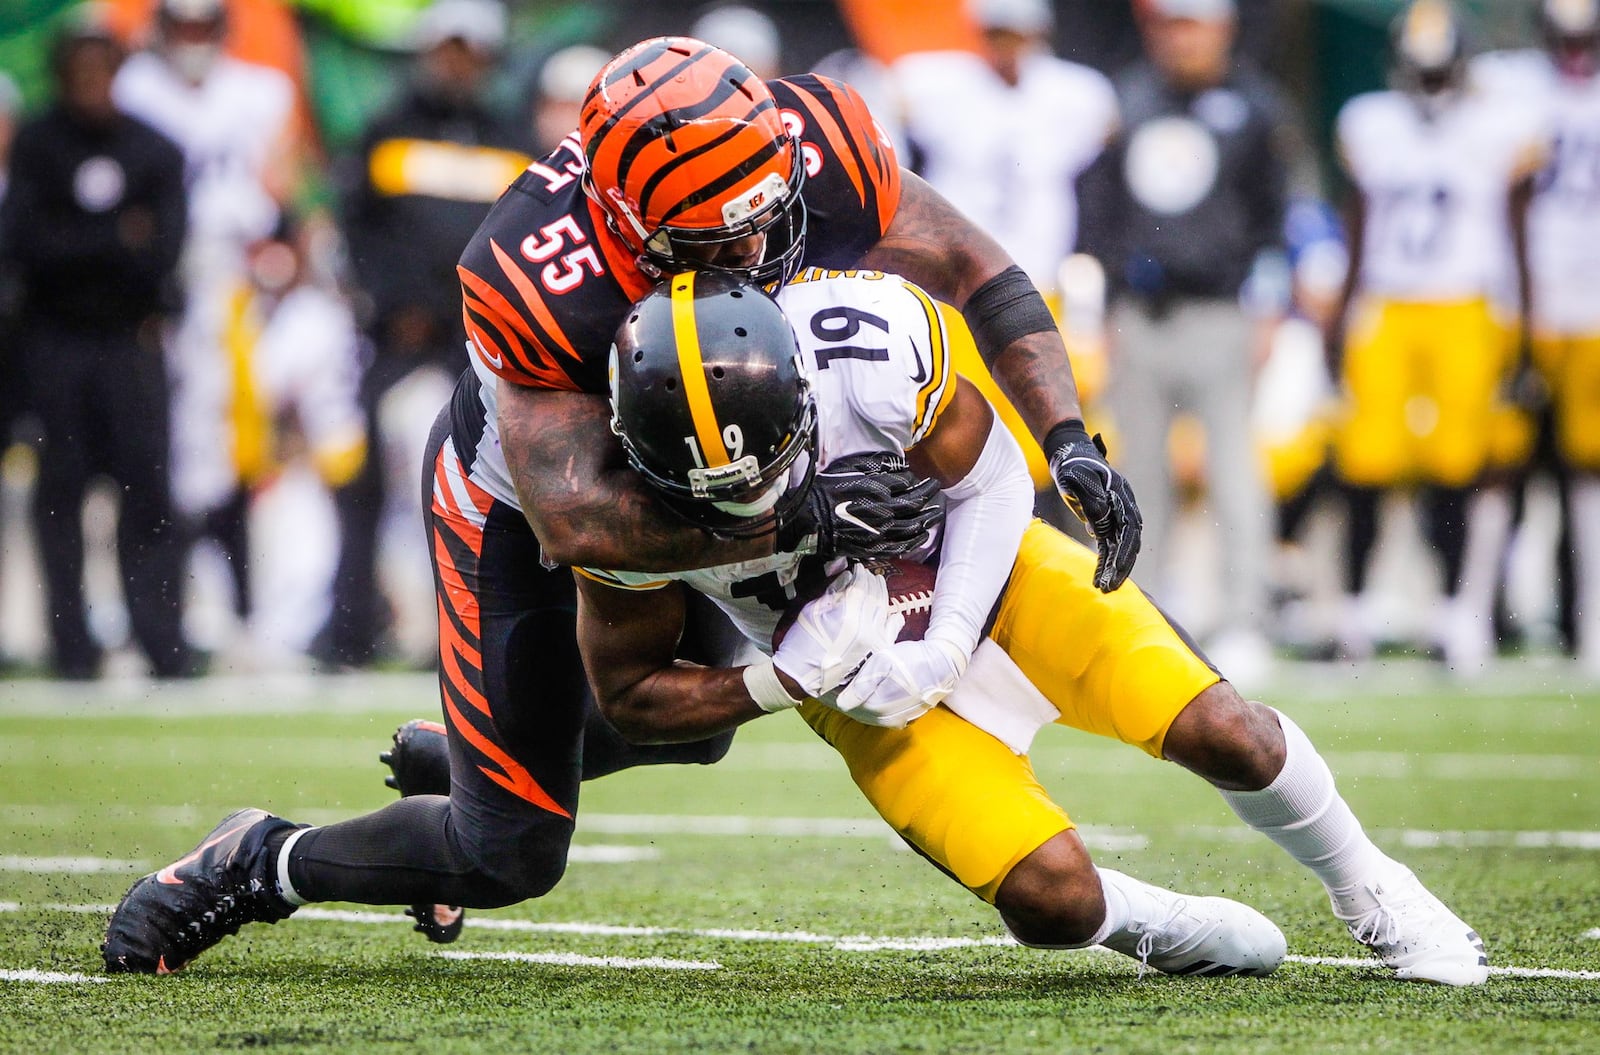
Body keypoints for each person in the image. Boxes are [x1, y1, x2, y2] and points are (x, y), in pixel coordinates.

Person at [100, 36, 1138, 972]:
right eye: (719, 242)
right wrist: (804, 518)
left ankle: (488, 746)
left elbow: (975, 264)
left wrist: (1063, 441)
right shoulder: (532, 272)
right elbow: (576, 520)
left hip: (699, 473)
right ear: (630, 225)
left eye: (766, 218)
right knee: (506, 850)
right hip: (522, 504)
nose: (760, 253)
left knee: (697, 721)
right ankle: (260, 859)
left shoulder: (804, 138)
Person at [574, 268, 1485, 986]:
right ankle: (1151, 921)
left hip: (986, 571)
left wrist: (946, 640)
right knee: (1052, 904)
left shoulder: (860, 348)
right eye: (717, 496)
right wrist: (782, 681)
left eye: (770, 466)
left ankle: (1370, 884)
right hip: (848, 672)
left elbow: (995, 477)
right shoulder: (602, 501)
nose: (755, 501)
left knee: (1227, 731)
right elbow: (628, 695)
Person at [1077, 0, 1295, 683]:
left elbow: (1274, 217)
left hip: (1220, 310)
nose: (1181, 38)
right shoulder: (1130, 100)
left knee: (1234, 469)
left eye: (1192, 23)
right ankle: (1139, 608)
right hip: (1141, 311)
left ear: (1223, 28)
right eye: (1170, 24)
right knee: (1140, 471)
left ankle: (1242, 618)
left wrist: (1267, 309)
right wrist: (1102, 304)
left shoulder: (1256, 107)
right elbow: (1101, 210)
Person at [1327, 0, 1547, 669]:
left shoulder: (1497, 125)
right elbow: (1358, 221)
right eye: (1418, 73)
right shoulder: (1370, 124)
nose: (1428, 86)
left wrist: (1526, 319)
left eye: (1438, 72)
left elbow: (1517, 227)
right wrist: (1343, 308)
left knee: (1459, 461)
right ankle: (1355, 611)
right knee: (1365, 458)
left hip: (1465, 305)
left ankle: (1455, 612)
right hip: (1388, 304)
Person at [319, 0, 532, 668]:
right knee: (364, 476)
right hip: (399, 336)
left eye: (470, 51)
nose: (457, 64)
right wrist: (394, 303)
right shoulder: (387, 131)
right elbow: (356, 232)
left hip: (482, 342)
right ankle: (353, 624)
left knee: (494, 480)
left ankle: (476, 628)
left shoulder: (512, 136)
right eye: (448, 49)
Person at [0, 16, 197, 679]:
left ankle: (160, 641)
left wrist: (81, 242)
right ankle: (71, 650)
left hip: (130, 344)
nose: (91, 85)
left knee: (147, 493)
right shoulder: (37, 147)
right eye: (78, 72)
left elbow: (163, 255)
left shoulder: (155, 150)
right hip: (56, 346)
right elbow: (26, 247)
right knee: (59, 496)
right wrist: (117, 239)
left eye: (101, 70)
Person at [113, 0, 300, 649]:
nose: (193, 40)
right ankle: (182, 605)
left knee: (259, 446)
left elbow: (283, 184)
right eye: (181, 25)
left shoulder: (259, 91)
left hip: (249, 288)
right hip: (163, 293)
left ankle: (262, 610)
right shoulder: (132, 89)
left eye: (203, 25)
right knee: (181, 453)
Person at [1475, 0, 1600, 673]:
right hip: (1521, 302)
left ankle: (1589, 621)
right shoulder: (1514, 87)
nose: (1575, 51)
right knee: (1501, 463)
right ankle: (1481, 618)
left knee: (1588, 468)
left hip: (1589, 306)